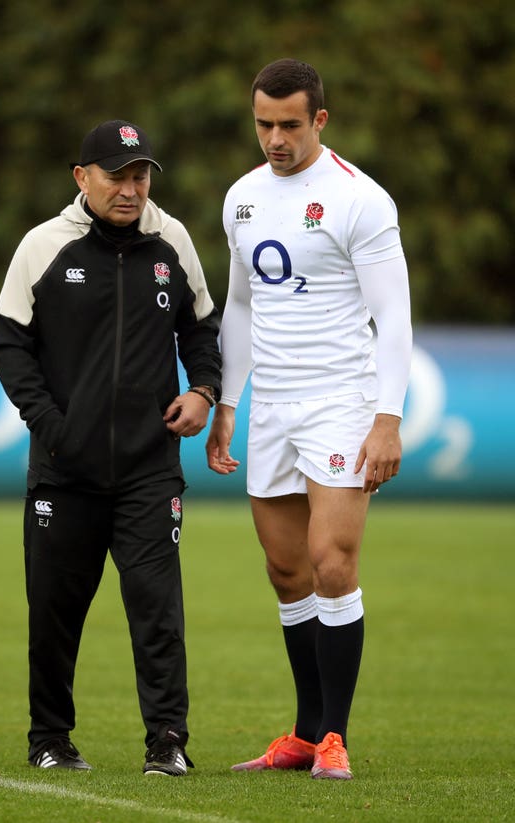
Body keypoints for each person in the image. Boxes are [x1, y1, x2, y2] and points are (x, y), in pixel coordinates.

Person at [0, 119, 222, 776]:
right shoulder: (42, 247)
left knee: (158, 609)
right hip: (64, 472)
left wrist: (203, 389)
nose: (131, 188)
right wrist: (53, 428)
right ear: (81, 177)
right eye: (117, 174)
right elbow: (8, 344)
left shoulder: (171, 239)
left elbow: (201, 327)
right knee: (55, 613)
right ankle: (50, 739)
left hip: (151, 467)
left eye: (140, 174)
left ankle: (167, 741)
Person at [206, 59, 412, 780]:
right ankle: (302, 732)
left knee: (332, 563)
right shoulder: (242, 199)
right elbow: (238, 304)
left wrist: (387, 418)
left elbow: (393, 315)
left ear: (319, 120)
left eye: (290, 124)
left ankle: (335, 738)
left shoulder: (361, 200)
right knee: (287, 571)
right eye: (263, 123)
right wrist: (229, 401)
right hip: (273, 406)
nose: (275, 138)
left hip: (341, 402)